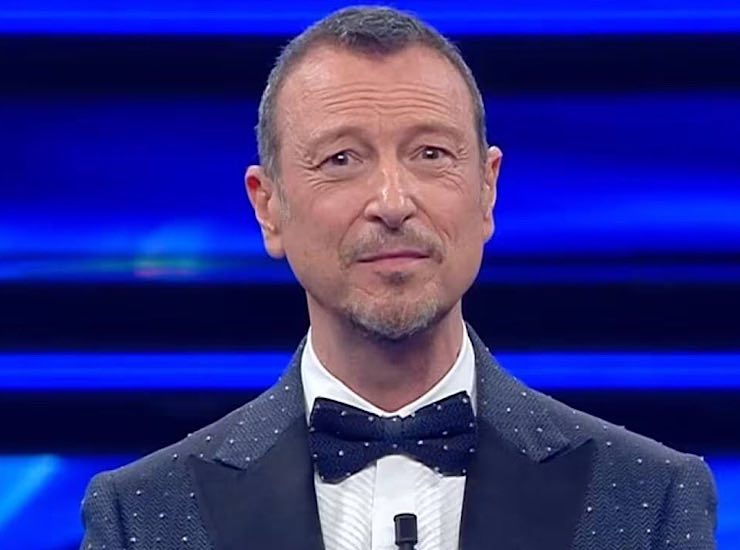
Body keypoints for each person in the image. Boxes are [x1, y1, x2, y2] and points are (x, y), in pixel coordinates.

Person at [80, 6, 717, 549]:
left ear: (487, 190)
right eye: (341, 159)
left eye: (430, 154)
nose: (391, 202)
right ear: (267, 206)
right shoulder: (144, 518)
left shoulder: (647, 499)